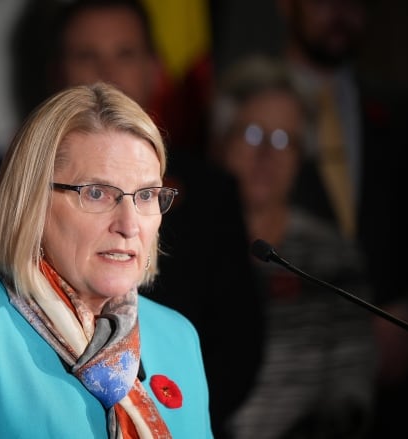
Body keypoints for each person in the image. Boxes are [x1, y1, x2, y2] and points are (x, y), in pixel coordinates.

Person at [0, 82, 211, 438]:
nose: (129, 225)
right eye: (96, 193)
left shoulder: (176, 336)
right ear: (33, 201)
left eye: (145, 195)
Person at [48, 1, 263, 435]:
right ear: (58, 70)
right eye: (87, 55)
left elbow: (238, 343)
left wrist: (162, 421)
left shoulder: (210, 190)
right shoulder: (25, 181)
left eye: (124, 54)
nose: (105, 71)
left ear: (155, 68)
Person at [279, 1, 408, 436]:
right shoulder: (247, 110)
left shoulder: (407, 113)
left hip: (399, 378)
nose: (342, 11)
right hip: (288, 386)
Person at [210, 55, 375, 438]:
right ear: (222, 141)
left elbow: (352, 382)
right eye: (252, 134)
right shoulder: (182, 243)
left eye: (285, 140)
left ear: (303, 157)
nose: (267, 154)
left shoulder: (333, 255)